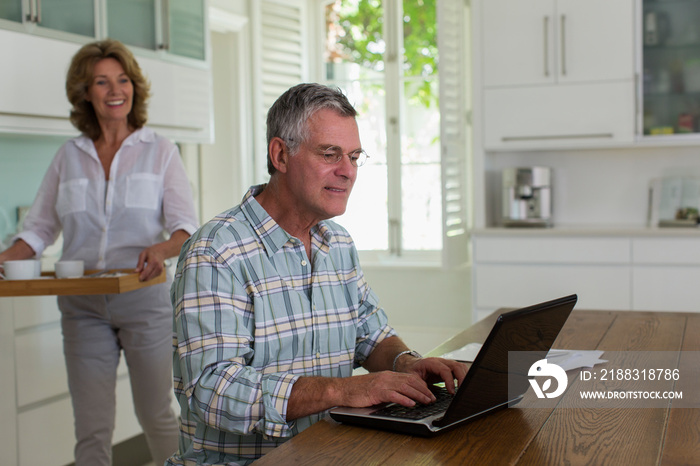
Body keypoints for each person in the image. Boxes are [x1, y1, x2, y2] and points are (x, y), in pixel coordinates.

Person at [167, 83, 467, 465]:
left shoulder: (337, 243)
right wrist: (342, 391)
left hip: (330, 454)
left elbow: (371, 337)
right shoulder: (215, 252)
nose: (347, 172)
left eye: (355, 157)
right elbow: (212, 392)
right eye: (330, 154)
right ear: (281, 154)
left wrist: (405, 362)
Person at [0, 39, 198, 465]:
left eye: (122, 79)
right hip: (83, 304)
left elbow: (187, 229)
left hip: (143, 298)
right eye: (102, 81)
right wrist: (5, 259)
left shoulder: (160, 151)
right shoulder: (67, 157)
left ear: (134, 88)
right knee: (91, 429)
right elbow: (36, 230)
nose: (115, 90)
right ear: (85, 92)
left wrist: (160, 248)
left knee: (157, 415)